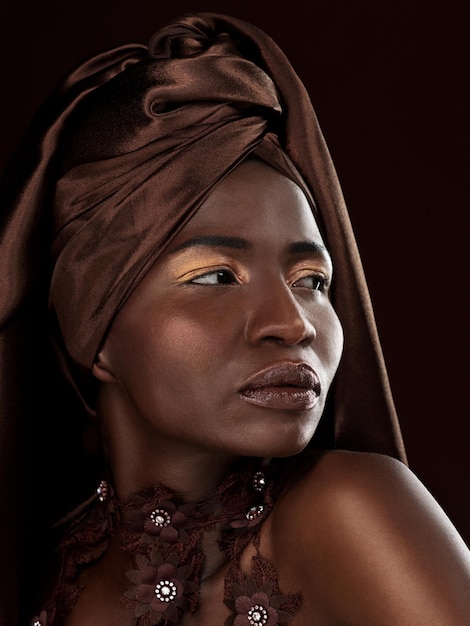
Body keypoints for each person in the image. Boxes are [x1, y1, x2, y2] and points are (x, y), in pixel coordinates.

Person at [0, 11, 469, 626]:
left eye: (313, 282)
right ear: (95, 330)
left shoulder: (348, 513)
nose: (294, 323)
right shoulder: (46, 568)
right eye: (217, 276)